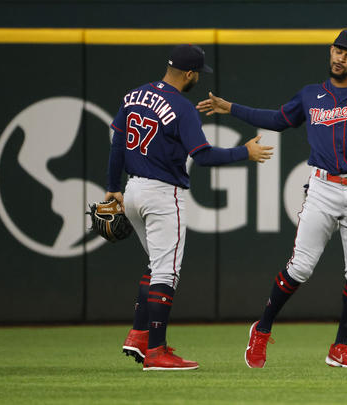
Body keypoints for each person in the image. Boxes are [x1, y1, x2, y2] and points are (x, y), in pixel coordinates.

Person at [197, 30, 347, 368]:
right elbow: (278, 120)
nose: (340, 57)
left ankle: (340, 347)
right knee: (300, 268)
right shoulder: (311, 95)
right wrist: (230, 108)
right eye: (337, 50)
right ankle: (262, 329)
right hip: (323, 189)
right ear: (331, 51)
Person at [105, 44, 273, 371]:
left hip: (133, 190)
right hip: (163, 194)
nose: (198, 78)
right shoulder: (181, 107)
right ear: (189, 74)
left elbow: (116, 144)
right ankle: (156, 352)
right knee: (167, 271)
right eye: (198, 73)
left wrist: (112, 187)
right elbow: (204, 155)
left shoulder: (133, 96)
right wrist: (245, 152)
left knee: (156, 265)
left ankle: (139, 335)